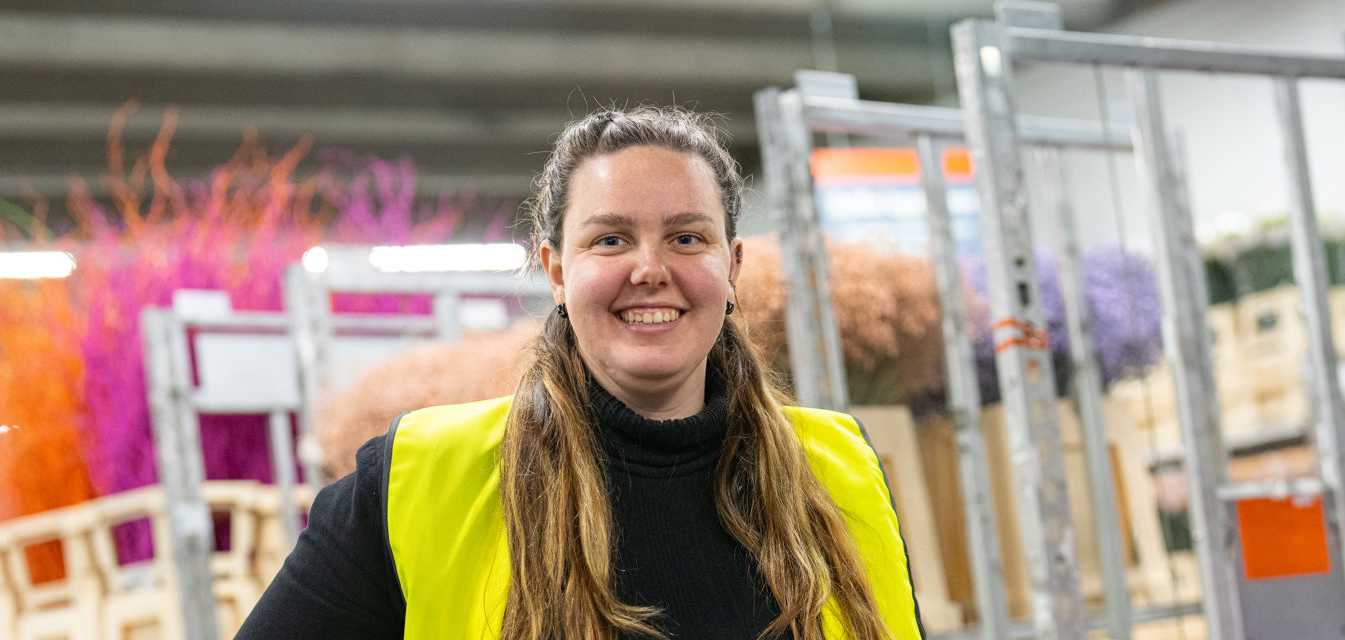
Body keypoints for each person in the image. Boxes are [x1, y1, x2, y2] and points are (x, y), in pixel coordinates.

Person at [234, 106, 922, 640]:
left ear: (732, 266)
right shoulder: (415, 483)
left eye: (686, 237)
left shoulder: (839, 470)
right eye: (611, 239)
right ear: (557, 270)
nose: (650, 269)